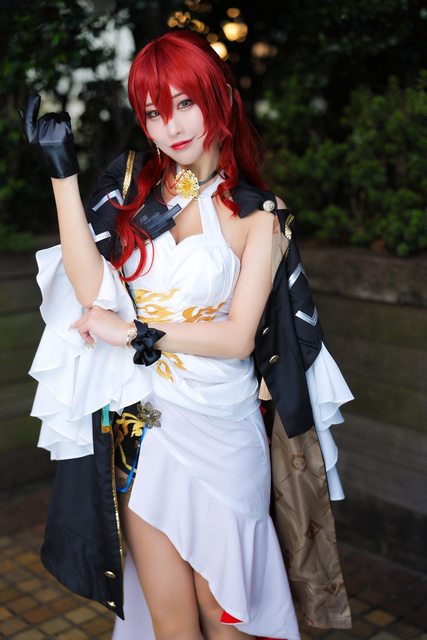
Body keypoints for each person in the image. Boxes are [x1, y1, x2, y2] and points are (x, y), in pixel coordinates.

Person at [22, 30, 353, 640]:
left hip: (224, 434)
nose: (171, 126)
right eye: (154, 112)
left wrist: (133, 332)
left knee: (227, 625)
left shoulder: (258, 213)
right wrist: (63, 178)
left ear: (218, 98)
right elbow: (91, 286)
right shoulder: (132, 193)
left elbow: (237, 339)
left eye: (185, 103)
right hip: (146, 430)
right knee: (172, 625)